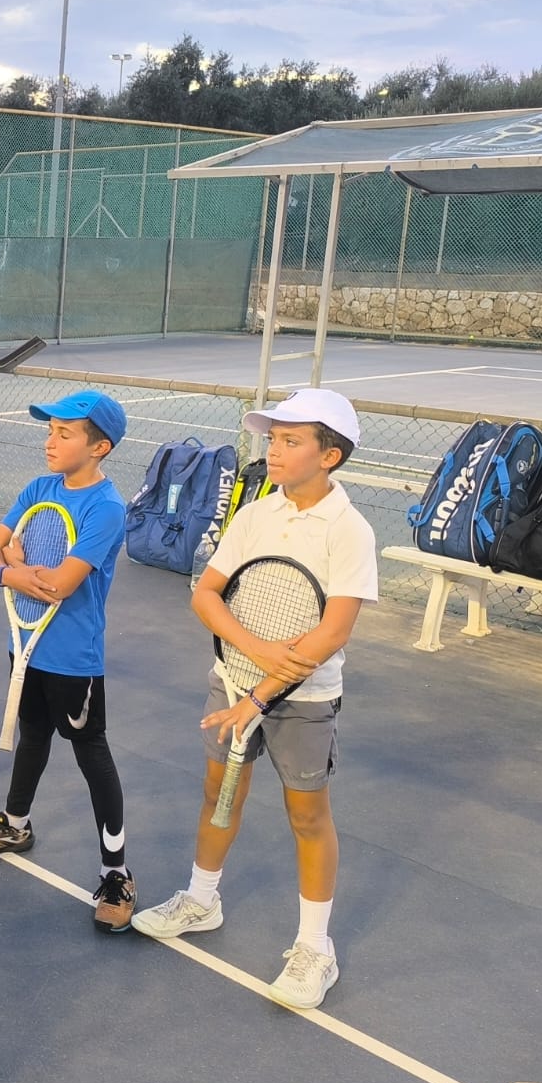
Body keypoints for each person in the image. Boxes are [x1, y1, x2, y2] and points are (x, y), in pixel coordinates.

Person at [131, 389, 377, 1010]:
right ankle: (201, 899)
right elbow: (206, 595)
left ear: (331, 457)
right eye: (272, 438)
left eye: (291, 441)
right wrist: (256, 654)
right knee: (220, 794)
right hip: (234, 680)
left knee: (307, 818)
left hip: (305, 699)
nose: (274, 449)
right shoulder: (255, 514)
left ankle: (316, 949)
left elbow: (332, 632)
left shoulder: (350, 530)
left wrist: (262, 695)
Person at [0, 392, 137, 931]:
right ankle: (15, 824)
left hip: (74, 660)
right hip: (26, 645)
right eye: (50, 431)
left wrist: (15, 561)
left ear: (99, 446)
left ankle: (117, 872)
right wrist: (13, 569)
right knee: (33, 735)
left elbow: (60, 584)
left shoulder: (105, 509)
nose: (50, 441)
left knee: (90, 754)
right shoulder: (38, 489)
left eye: (65, 433)